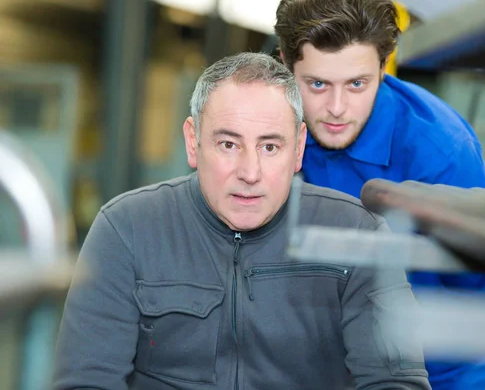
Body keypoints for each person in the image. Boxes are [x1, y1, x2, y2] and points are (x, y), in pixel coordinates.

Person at [52, 52, 431, 390]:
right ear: (192, 140)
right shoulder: (126, 230)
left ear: (298, 148)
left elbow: (396, 382)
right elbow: (87, 381)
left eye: (270, 146)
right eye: (228, 144)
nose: (250, 172)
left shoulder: (357, 236)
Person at [274, 0, 485, 389]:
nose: (337, 107)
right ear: (286, 64)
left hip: (445, 298)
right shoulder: (269, 123)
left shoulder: (441, 152)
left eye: (357, 83)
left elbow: (473, 314)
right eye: (317, 83)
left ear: (385, 66)